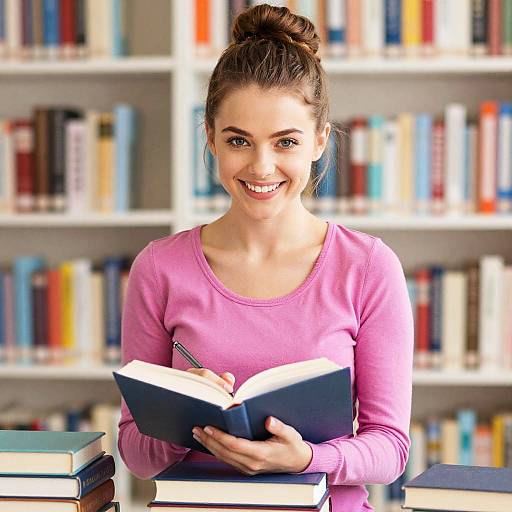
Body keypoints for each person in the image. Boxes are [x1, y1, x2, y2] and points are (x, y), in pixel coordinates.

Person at [118, 4, 414, 511]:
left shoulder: (367, 267)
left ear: (320, 141)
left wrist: (306, 460)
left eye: (286, 142)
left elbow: (390, 449)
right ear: (210, 137)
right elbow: (135, 454)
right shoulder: (159, 268)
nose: (262, 166)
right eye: (239, 141)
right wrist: (180, 420)